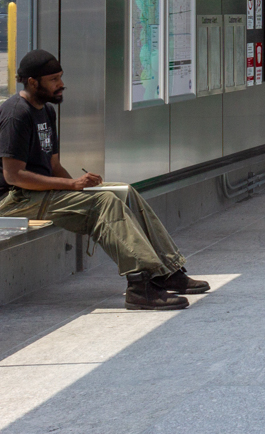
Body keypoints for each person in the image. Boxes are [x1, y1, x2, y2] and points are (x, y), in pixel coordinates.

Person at [0, 50, 209, 310]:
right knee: (105, 204)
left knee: (124, 192)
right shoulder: (15, 114)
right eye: (54, 79)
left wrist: (81, 185)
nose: (61, 84)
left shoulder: (47, 113)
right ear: (33, 82)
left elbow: (53, 166)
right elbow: (14, 176)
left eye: (61, 78)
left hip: (39, 193)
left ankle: (168, 271)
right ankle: (140, 285)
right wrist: (73, 186)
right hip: (14, 199)